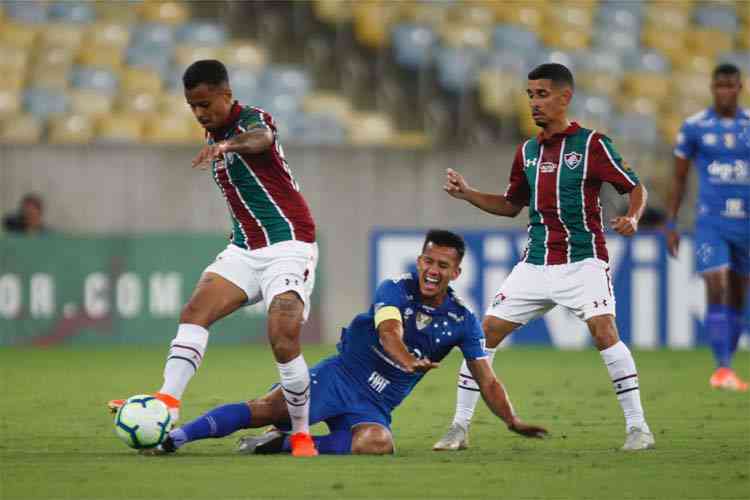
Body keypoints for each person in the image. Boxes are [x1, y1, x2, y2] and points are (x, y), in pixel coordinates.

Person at [144, 230, 547, 456]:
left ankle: (277, 446)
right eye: (427, 261)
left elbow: (487, 379)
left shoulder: (463, 321)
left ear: (456, 272)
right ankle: (177, 437)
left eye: (442, 265)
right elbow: (390, 332)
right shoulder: (395, 289)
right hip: (339, 377)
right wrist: (407, 360)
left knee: (378, 444)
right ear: (419, 261)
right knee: (267, 409)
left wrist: (511, 419)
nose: (432, 270)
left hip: (374, 405)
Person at [434, 63, 654, 452]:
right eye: (530, 95)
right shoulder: (527, 151)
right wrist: (468, 193)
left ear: (564, 97)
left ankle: (639, 428)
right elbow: (509, 205)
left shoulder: (593, 145)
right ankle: (459, 428)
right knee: (482, 335)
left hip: (584, 261)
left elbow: (635, 187)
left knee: (604, 332)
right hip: (535, 263)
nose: (534, 103)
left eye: (542, 94)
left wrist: (633, 217)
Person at [108, 60, 320, 456]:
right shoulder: (213, 134)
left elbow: (261, 139)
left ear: (226, 94)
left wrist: (228, 144)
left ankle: (302, 433)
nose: (200, 113)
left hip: (289, 244)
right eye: (193, 106)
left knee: (282, 336)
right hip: (245, 248)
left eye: (206, 103)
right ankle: (166, 405)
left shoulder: (250, 121)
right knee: (194, 312)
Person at [665, 63, 749, 391]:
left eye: (731, 86)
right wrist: (671, 223)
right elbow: (679, 178)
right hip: (711, 223)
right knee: (717, 284)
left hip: (746, 223)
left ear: (740, 88)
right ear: (712, 88)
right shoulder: (694, 127)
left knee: (740, 294)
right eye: (720, 86)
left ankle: (728, 365)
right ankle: (722, 367)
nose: (725, 92)